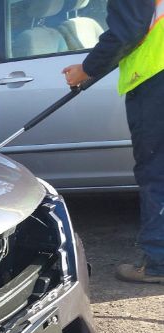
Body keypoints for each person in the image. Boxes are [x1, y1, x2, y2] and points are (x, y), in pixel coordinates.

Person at [63, 0, 164, 284]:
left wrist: (87, 69)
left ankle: (159, 262)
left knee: (156, 171)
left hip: (156, 81)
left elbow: (127, 32)